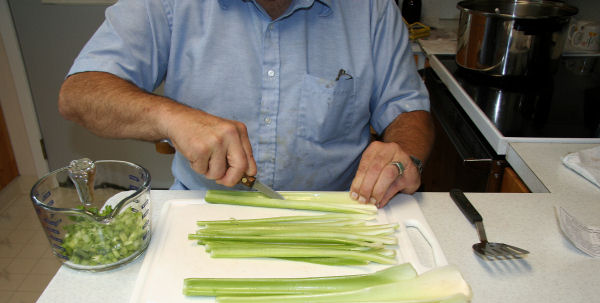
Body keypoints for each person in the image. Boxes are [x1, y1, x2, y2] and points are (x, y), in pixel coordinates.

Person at [58, 0, 434, 208]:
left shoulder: (372, 9)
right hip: (201, 210)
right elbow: (79, 94)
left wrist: (403, 154)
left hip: (335, 210)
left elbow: (408, 108)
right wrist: (170, 116)